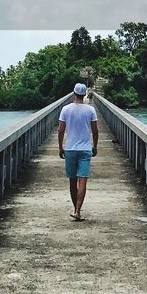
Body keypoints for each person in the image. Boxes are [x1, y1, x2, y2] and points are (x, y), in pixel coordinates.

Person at [58, 83, 98, 222]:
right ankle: (77, 211)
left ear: (74, 93)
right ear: (84, 95)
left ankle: (76, 209)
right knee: (83, 180)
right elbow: (95, 130)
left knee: (72, 180)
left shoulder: (65, 109)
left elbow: (61, 130)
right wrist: (95, 146)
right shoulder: (90, 110)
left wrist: (60, 147)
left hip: (70, 148)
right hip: (85, 149)